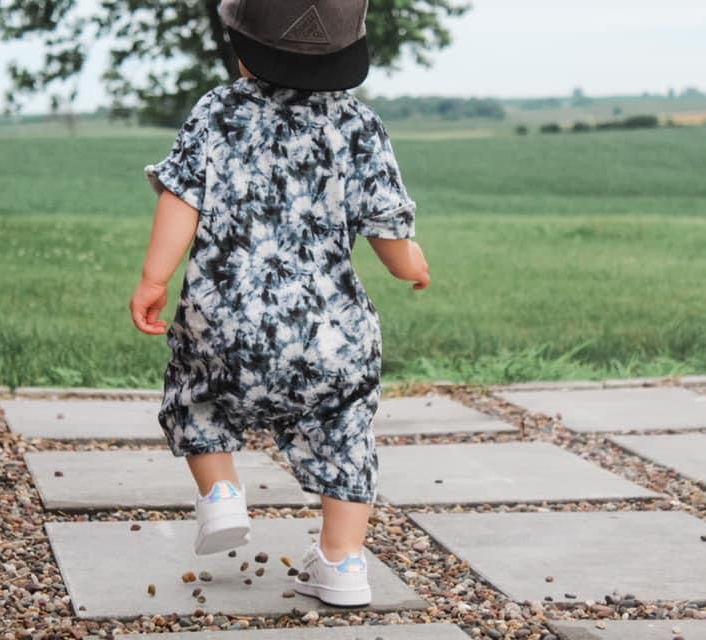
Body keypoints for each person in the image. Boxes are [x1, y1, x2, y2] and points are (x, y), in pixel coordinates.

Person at [129, 0, 429, 607]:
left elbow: (180, 200)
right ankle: (344, 563)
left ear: (242, 44)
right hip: (332, 334)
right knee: (346, 432)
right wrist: (412, 265)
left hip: (226, 318)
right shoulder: (359, 126)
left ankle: (220, 498)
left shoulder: (216, 113)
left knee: (198, 396)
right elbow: (387, 228)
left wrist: (154, 278)